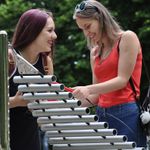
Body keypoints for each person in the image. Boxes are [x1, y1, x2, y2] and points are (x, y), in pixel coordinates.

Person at [72, 0, 146, 147]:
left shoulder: (127, 38)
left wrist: (88, 88)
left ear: (100, 18)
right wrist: (70, 101)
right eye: (82, 29)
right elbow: (97, 96)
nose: (86, 33)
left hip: (126, 113)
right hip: (101, 114)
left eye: (88, 26)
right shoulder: (95, 51)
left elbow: (122, 80)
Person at [8, 8, 57, 150]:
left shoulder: (46, 63)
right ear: (33, 31)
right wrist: (15, 102)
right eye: (49, 30)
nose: (54, 36)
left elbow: (44, 112)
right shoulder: (8, 58)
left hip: (31, 141)